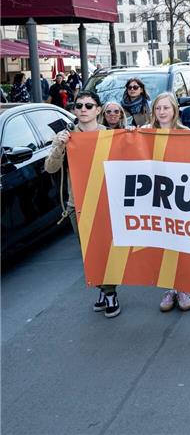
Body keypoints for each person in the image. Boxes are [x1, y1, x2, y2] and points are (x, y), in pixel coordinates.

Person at [44, 91, 119, 317]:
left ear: (98, 110)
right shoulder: (67, 137)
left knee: (105, 250)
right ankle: (102, 288)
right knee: (88, 251)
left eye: (89, 105)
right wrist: (59, 146)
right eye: (79, 106)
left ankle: (110, 292)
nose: (84, 109)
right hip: (77, 204)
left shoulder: (110, 135)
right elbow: (50, 168)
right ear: (74, 110)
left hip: (106, 202)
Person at [140, 93, 190, 312]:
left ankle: (184, 287)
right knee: (163, 243)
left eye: (166, 108)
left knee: (181, 242)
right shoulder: (145, 133)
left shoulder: (185, 134)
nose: (162, 112)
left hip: (180, 196)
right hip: (154, 197)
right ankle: (170, 287)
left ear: (175, 110)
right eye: (158, 108)